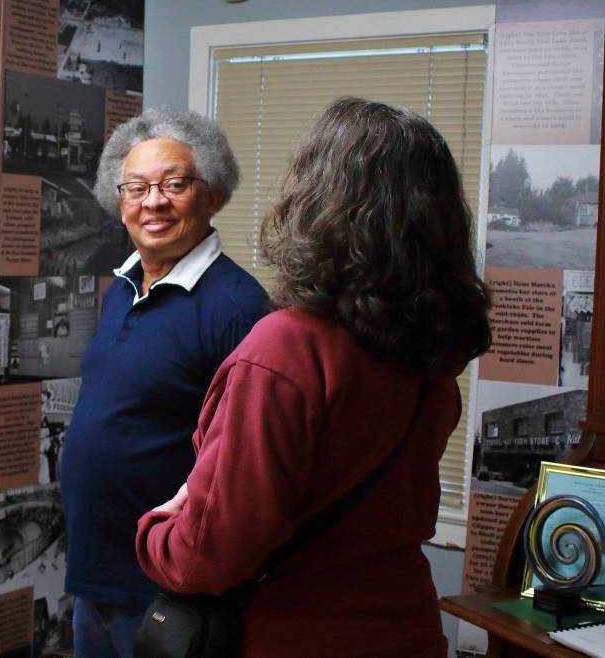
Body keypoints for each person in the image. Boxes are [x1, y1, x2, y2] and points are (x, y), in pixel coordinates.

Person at [135, 97, 493, 657]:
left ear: (321, 203)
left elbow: (204, 559)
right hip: (406, 631)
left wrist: (156, 527)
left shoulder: (285, 349)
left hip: (294, 635)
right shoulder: (429, 350)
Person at [60, 108, 269, 657]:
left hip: (168, 594)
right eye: (137, 188)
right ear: (118, 200)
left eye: (175, 184)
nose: (153, 202)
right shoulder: (121, 289)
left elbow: (245, 466)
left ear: (213, 195)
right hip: (95, 577)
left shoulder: (238, 308)